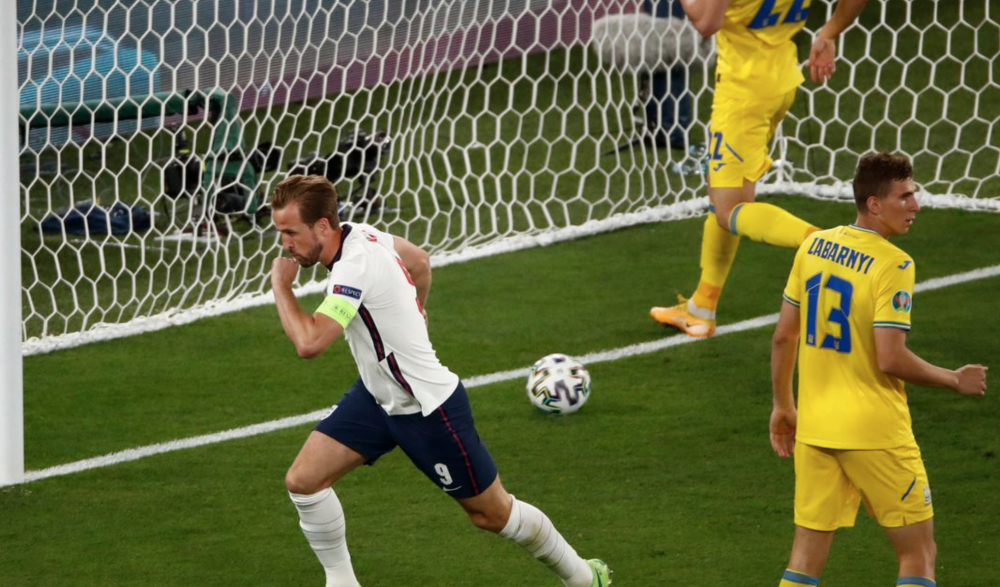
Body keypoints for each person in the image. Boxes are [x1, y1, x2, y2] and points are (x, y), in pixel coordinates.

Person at [269, 175, 611, 587]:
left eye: (290, 232)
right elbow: (420, 263)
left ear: (323, 226)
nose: (285, 244)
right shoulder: (362, 233)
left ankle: (583, 577)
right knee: (304, 481)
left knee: (492, 514)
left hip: (427, 408)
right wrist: (417, 312)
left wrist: (281, 287)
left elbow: (310, 343)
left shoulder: (355, 265)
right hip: (378, 398)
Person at [768, 151, 988, 587]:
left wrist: (783, 406)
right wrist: (953, 379)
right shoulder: (894, 264)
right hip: (875, 432)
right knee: (918, 554)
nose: (915, 206)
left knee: (804, 559)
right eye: (904, 196)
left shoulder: (813, 245)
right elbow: (890, 358)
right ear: (873, 204)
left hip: (815, 427)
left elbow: (782, 337)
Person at [650, 0, 870, 337]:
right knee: (724, 192)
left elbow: (705, 22)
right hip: (780, 77)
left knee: (729, 210)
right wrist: (828, 32)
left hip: (743, 92)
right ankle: (701, 307)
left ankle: (826, 244)